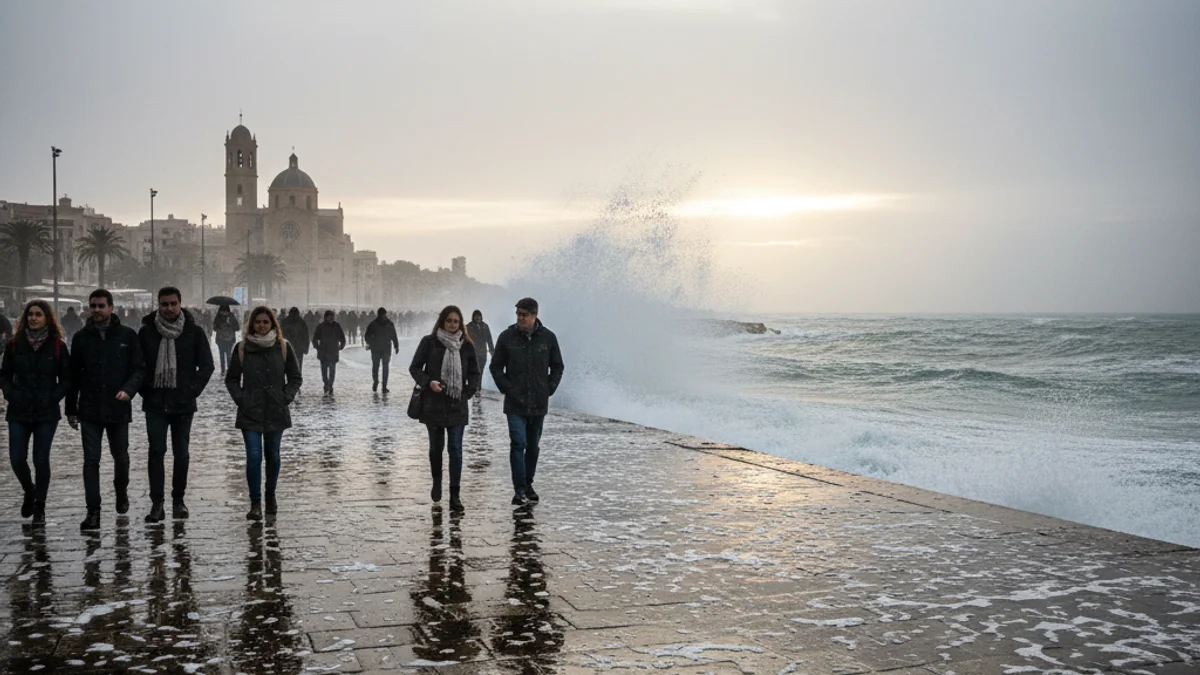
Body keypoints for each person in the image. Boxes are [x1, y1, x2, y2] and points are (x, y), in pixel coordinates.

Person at [67, 289, 146, 530]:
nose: (97, 310)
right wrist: (71, 408)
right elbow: (73, 375)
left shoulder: (127, 335)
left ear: (111, 307)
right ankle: (93, 511)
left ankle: (121, 490)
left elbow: (140, 368)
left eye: (101, 306)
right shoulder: (81, 338)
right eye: (93, 306)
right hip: (90, 408)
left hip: (117, 407)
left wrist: (129, 390)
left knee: (120, 457)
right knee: (91, 460)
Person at [138, 287, 215, 523]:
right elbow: (137, 367)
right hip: (155, 404)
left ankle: (178, 500)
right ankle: (157, 503)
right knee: (156, 452)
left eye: (173, 303)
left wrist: (192, 390)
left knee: (181, 454)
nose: (169, 308)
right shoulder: (147, 333)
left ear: (180, 304)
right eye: (164, 304)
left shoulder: (193, 332)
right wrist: (146, 391)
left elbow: (207, 366)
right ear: (158, 305)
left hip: (183, 404)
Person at [226, 306, 301, 521]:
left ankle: (270, 494)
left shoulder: (283, 347)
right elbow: (231, 378)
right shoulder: (242, 348)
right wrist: (241, 398)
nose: (261, 325)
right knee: (254, 457)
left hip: (276, 410)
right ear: (252, 324)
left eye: (265, 322)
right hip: (250, 411)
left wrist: (285, 396)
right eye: (257, 322)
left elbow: (295, 377)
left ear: (272, 324)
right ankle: (255, 502)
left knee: (273, 456)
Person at [1, 300, 70, 526]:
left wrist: (53, 397)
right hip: (19, 410)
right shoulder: (13, 345)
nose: (33, 318)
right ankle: (29, 490)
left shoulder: (58, 346)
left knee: (41, 459)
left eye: (38, 314)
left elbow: (67, 379)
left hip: (46, 412)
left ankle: (40, 505)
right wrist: (11, 394)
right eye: (30, 314)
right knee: (17, 458)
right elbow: (4, 375)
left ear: (47, 318)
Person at [490, 298, 564, 505]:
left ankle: (528, 484)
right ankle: (519, 489)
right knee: (518, 443)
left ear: (534, 315)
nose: (520, 318)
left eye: (524, 314)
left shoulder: (548, 338)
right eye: (518, 314)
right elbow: (496, 367)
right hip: (515, 403)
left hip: (539, 403)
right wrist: (507, 388)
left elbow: (557, 366)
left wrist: (549, 388)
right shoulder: (507, 338)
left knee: (533, 446)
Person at [409, 305, 480, 512]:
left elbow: (474, 373)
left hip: (457, 405)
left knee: (456, 449)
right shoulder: (429, 343)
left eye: (456, 321)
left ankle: (455, 494)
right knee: (436, 449)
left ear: (461, 323)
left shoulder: (466, 345)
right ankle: (437, 481)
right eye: (448, 321)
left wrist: (467, 392)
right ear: (442, 321)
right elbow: (414, 368)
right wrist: (429, 382)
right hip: (433, 404)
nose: (452, 325)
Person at [364, 307, 400, 394]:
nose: (385, 316)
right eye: (384, 314)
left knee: (385, 368)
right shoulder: (374, 324)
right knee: (376, 367)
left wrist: (396, 345)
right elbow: (367, 336)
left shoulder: (389, 324)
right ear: (380, 315)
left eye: (385, 314)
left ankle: (384, 386)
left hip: (385, 349)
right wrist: (371, 342)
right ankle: (376, 381)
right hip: (377, 349)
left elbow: (394, 335)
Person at [311, 310, 346, 395]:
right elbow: (315, 338)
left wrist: (341, 345)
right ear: (326, 317)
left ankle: (330, 384)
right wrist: (317, 347)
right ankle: (326, 383)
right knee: (324, 370)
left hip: (333, 351)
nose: (331, 318)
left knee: (332, 370)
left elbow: (342, 337)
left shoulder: (337, 326)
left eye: (333, 316)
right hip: (323, 351)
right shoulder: (321, 326)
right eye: (330, 316)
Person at [466, 310, 495, 387]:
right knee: (472, 371)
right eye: (476, 316)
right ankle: (472, 387)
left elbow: (489, 340)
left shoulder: (485, 326)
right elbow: (465, 340)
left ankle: (478, 389)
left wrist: (492, 352)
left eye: (479, 316)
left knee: (480, 371)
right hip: (472, 354)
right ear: (473, 317)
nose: (478, 317)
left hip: (482, 354)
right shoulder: (468, 327)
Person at [280, 307, 311, 373]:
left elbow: (280, 334)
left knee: (287, 365)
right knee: (298, 365)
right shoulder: (301, 322)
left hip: (287, 347)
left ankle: (290, 379)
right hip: (299, 348)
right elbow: (306, 336)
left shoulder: (284, 321)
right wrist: (306, 348)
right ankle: (297, 379)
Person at [212, 304, 239, 376]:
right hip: (221, 339)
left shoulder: (231, 317)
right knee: (222, 355)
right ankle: (223, 370)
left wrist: (230, 324)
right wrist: (219, 326)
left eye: (225, 311)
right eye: (222, 311)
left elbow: (237, 327)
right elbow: (214, 328)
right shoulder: (218, 317)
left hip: (229, 339)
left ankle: (229, 369)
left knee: (228, 355)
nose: (224, 313)